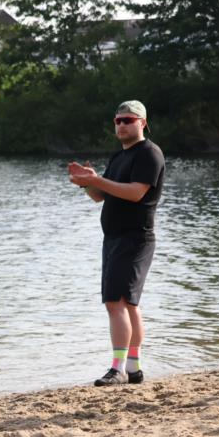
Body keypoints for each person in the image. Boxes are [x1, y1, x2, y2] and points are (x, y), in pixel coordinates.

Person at [68, 100, 165, 386]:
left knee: (116, 302)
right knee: (129, 304)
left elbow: (136, 193)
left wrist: (99, 180)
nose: (122, 125)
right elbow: (101, 196)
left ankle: (118, 368)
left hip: (135, 237)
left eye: (128, 120)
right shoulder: (118, 156)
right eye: (118, 121)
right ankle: (133, 368)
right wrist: (87, 183)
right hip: (113, 239)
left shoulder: (150, 153)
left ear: (142, 123)